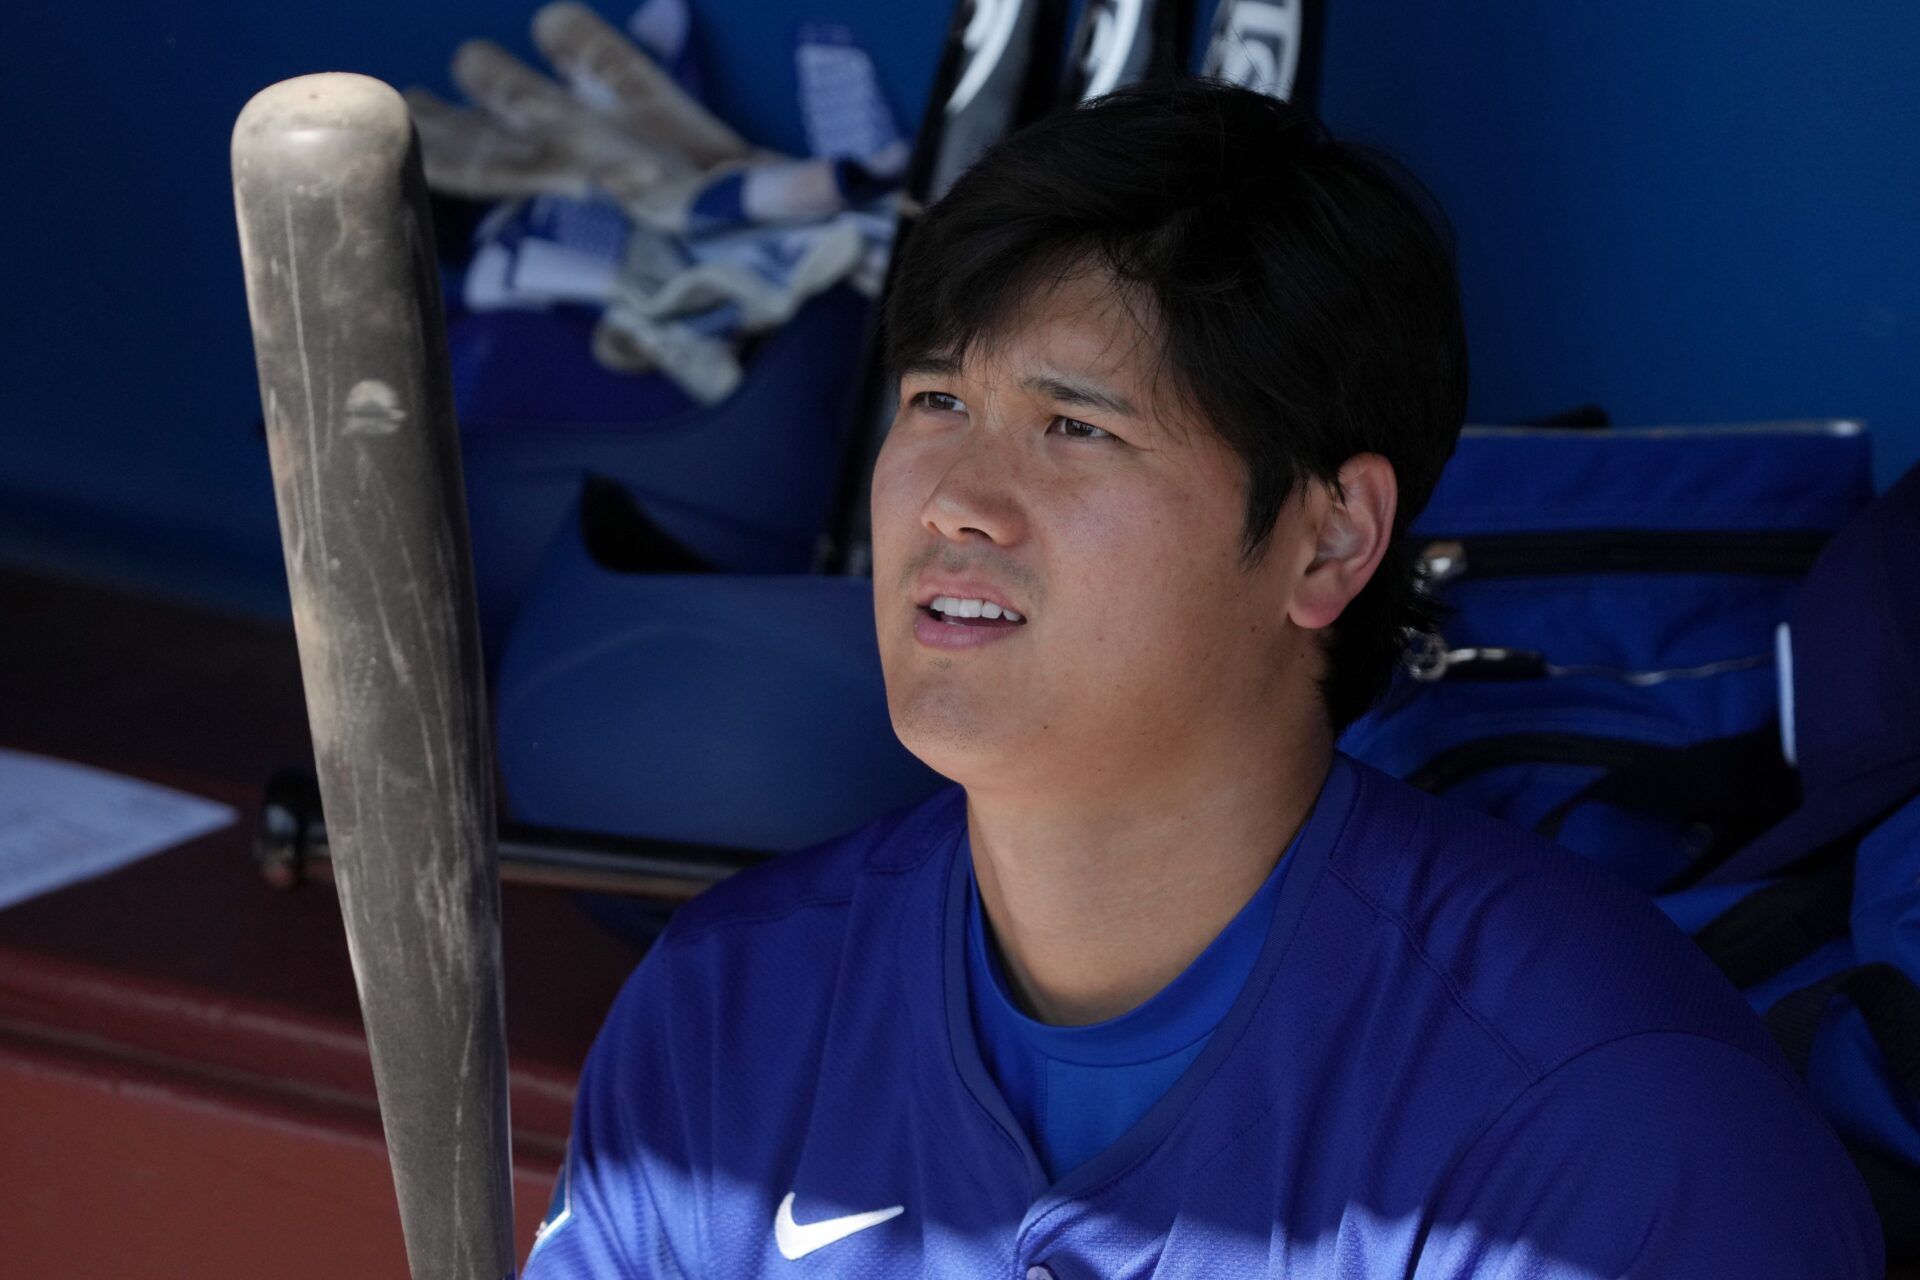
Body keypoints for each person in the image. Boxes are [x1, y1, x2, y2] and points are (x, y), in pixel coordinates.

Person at [522, 79, 1882, 1277]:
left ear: (1326, 537)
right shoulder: (727, 1012)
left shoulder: (1608, 1131)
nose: (956, 501)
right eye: (937, 403)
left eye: (1073, 426)